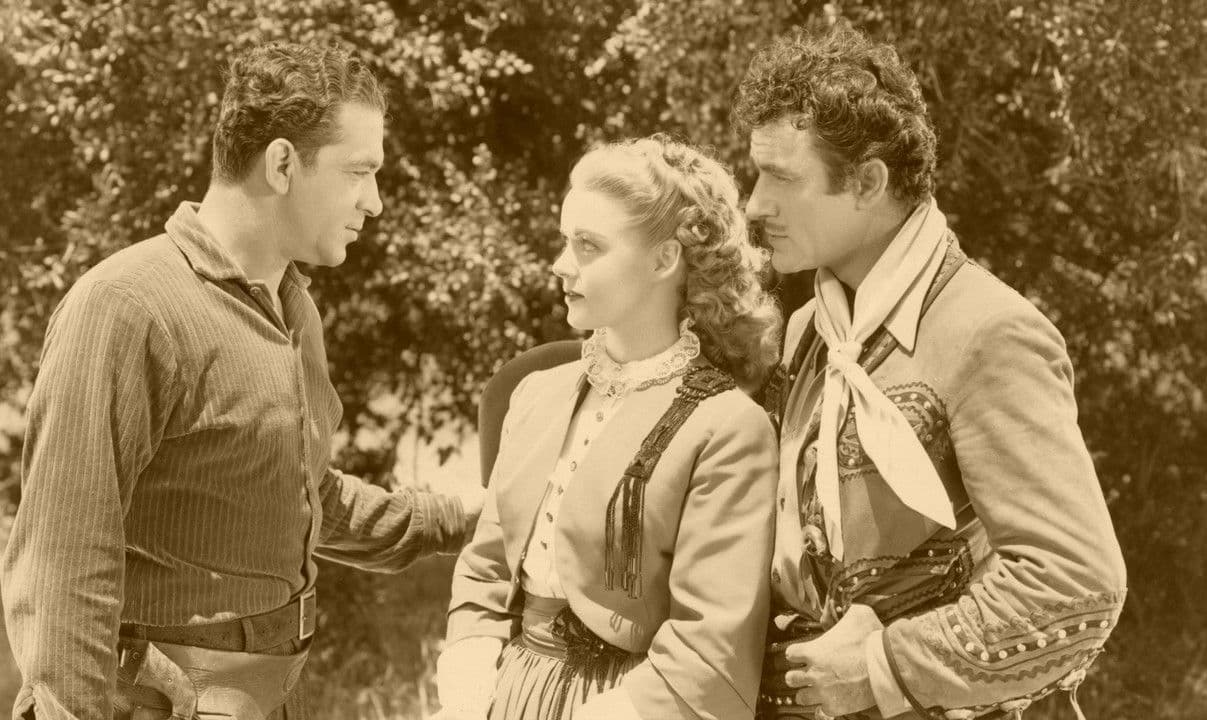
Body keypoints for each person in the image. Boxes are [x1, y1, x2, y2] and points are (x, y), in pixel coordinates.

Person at [1, 43, 483, 720]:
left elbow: (300, 494)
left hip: (270, 698)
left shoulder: (293, 307)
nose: (374, 203)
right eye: (359, 172)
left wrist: (462, 519)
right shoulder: (127, 307)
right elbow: (64, 558)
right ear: (282, 164)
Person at [735, 27, 1127, 720]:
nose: (755, 205)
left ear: (868, 182)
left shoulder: (988, 331)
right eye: (757, 175)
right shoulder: (809, 332)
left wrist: (884, 666)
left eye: (783, 178)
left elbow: (1076, 586)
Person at [434, 136, 781, 720]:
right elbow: (486, 567)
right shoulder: (536, 394)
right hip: (503, 692)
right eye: (564, 240)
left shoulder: (725, 427)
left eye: (588, 246)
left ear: (663, 261)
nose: (561, 264)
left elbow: (711, 645)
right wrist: (469, 679)